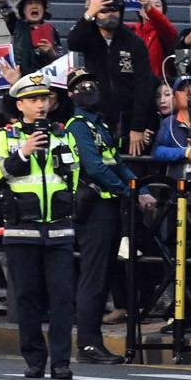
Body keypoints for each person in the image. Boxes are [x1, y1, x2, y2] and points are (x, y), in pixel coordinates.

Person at [0, 73, 81, 378]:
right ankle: (33, 359)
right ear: (19, 105)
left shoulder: (62, 134)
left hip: (59, 229)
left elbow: (74, 177)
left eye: (44, 99)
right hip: (21, 230)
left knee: (62, 296)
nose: (41, 105)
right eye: (33, 100)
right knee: (27, 296)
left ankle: (61, 361)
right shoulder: (5, 137)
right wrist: (23, 152)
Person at [62, 69, 132, 364]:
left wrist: (135, 185)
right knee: (94, 276)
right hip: (93, 209)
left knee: (102, 274)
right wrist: (126, 190)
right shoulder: (78, 125)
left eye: (91, 84)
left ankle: (92, 342)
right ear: (70, 96)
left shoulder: (98, 124)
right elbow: (94, 167)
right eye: (80, 87)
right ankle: (88, 343)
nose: (88, 89)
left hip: (109, 205)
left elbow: (114, 161)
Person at [67, 0, 158, 155]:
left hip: (130, 120)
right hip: (99, 117)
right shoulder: (89, 38)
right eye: (104, 10)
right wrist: (88, 14)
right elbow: (73, 42)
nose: (110, 14)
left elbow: (144, 87)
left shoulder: (134, 42)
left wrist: (137, 127)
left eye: (114, 9)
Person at [132, 0, 179, 82]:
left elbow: (168, 28)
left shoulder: (166, 31)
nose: (150, 6)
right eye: (146, 4)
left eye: (157, 5)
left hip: (158, 85)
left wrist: (150, 9)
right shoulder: (131, 31)